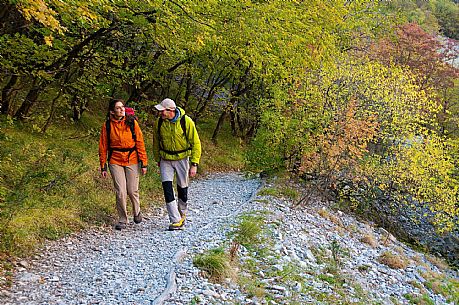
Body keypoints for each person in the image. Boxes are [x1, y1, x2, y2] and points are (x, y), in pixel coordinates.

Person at [99, 99, 148, 230]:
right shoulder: (107, 125)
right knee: (120, 191)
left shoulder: (132, 123)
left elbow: (140, 142)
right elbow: (103, 146)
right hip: (115, 160)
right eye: (118, 108)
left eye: (122, 107)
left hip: (132, 158)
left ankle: (137, 211)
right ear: (112, 111)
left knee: (132, 190)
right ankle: (122, 219)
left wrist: (144, 163)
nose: (122, 110)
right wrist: (103, 165)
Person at [153, 98, 201, 230]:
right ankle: (175, 220)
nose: (160, 113)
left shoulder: (186, 122)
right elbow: (156, 142)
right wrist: (157, 158)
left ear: (171, 111)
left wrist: (194, 163)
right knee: (167, 188)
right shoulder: (159, 123)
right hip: (165, 159)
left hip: (182, 158)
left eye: (163, 111)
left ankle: (182, 213)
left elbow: (196, 143)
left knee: (182, 188)